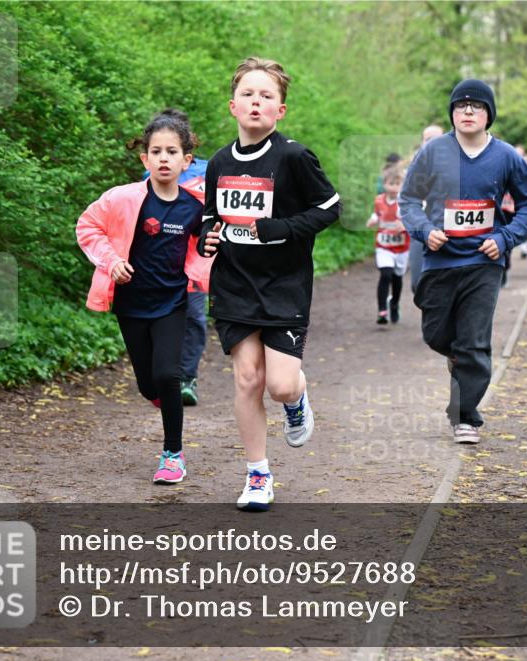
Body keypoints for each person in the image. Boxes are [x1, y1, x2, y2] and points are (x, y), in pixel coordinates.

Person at [201, 57, 341, 511]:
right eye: (248, 94)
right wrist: (208, 236)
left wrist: (281, 228)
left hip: (284, 285)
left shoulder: (295, 157)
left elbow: (330, 208)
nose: (256, 102)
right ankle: (258, 475)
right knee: (247, 380)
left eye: (266, 96)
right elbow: (210, 216)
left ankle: (296, 400)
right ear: (233, 105)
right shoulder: (219, 161)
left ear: (280, 110)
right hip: (235, 284)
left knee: (279, 386)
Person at [400, 80, 527, 445]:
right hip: (439, 261)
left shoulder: (506, 156)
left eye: (476, 106)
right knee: (436, 335)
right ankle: (460, 359)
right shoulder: (434, 152)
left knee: (474, 341)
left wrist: (505, 238)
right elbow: (409, 200)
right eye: (460, 106)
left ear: (488, 115)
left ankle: (466, 415)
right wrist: (425, 229)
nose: (467, 111)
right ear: (452, 113)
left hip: (484, 261)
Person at [76, 109, 206, 485]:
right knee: (148, 385)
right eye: (156, 151)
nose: (164, 158)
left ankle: (172, 454)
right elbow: (88, 226)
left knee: (169, 376)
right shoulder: (122, 199)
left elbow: (208, 247)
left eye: (172, 152)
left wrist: (209, 258)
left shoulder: (195, 207)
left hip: (173, 303)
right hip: (131, 304)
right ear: (144, 157)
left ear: (186, 160)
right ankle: (159, 395)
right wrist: (111, 260)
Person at [143, 156, 212, 407]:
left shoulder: (210, 170)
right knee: (156, 319)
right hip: (160, 265)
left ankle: (187, 378)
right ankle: (160, 374)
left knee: (193, 316)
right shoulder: (149, 173)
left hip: (194, 262)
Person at [366, 166, 409, 324]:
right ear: (385, 184)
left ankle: (395, 303)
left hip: (401, 247)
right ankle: (382, 311)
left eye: (398, 184)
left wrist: (405, 225)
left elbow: (413, 218)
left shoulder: (405, 202)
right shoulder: (379, 200)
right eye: (391, 183)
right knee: (385, 274)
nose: (394, 187)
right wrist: (373, 220)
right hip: (383, 246)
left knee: (397, 278)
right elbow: (377, 214)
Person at [408, 124, 444, 294]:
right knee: (417, 283)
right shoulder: (413, 168)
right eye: (429, 139)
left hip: (446, 231)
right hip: (420, 229)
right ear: (422, 143)